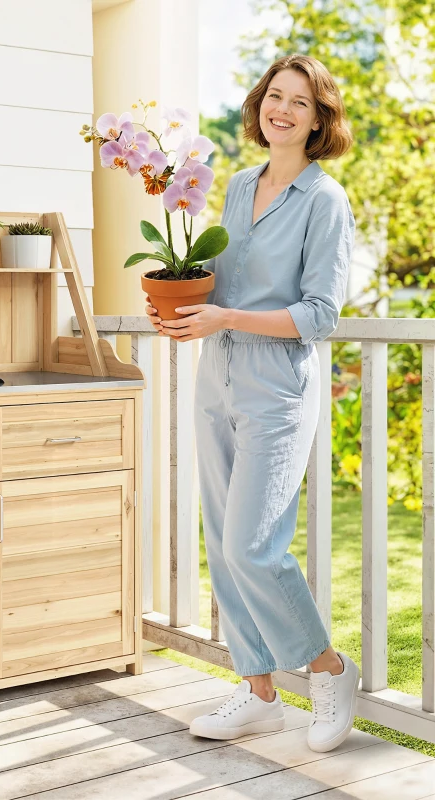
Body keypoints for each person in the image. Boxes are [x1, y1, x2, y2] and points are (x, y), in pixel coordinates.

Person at [146, 54, 359, 753]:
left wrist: (226, 319)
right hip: (218, 383)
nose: (284, 110)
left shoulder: (325, 200)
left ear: (320, 119)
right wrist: (180, 308)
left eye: (301, 102)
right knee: (221, 542)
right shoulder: (238, 187)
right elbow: (220, 285)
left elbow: (322, 314)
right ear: (259, 105)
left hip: (278, 391)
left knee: (253, 544)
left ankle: (328, 669)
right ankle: (260, 689)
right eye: (276, 96)